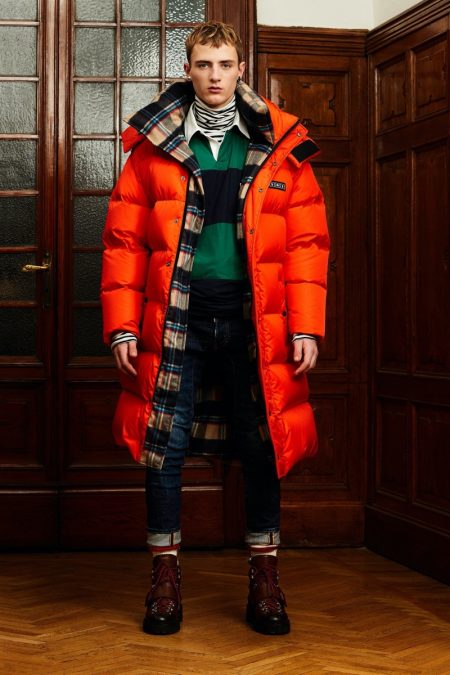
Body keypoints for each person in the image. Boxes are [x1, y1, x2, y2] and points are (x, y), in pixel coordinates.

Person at [101, 20, 329, 637]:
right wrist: (122, 329)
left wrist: (307, 328)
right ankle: (165, 580)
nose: (215, 76)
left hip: (258, 321)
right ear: (188, 69)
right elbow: (123, 243)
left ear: (240, 69)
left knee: (263, 443)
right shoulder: (152, 147)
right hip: (177, 316)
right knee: (164, 444)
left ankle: (265, 581)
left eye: (225, 64)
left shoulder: (280, 145)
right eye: (204, 64)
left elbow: (307, 244)